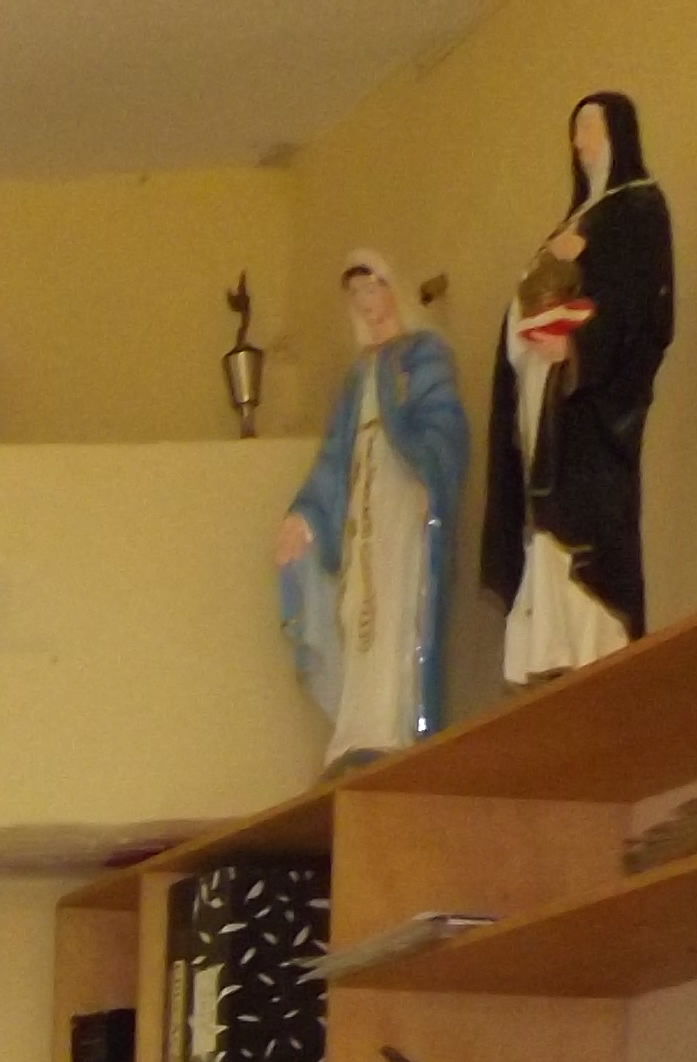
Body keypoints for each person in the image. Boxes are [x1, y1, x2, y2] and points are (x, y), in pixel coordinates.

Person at [485, 90, 674, 682]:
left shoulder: (638, 210)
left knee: (588, 527)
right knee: (544, 525)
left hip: (594, 412)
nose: (580, 143)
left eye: (590, 129)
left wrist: (578, 349)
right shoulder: (570, 224)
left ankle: (594, 642)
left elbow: (638, 306)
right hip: (547, 403)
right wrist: (527, 337)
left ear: (619, 134)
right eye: (575, 132)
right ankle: (552, 648)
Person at [276, 251, 468, 768]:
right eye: (356, 295)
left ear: (392, 290)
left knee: (396, 599)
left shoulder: (423, 354)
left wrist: (428, 474)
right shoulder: (356, 376)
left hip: (403, 496)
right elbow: (333, 458)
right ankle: (359, 724)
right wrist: (304, 516)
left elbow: (445, 425)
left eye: (372, 289)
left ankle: (393, 721)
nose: (366, 303)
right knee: (356, 602)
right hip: (362, 501)